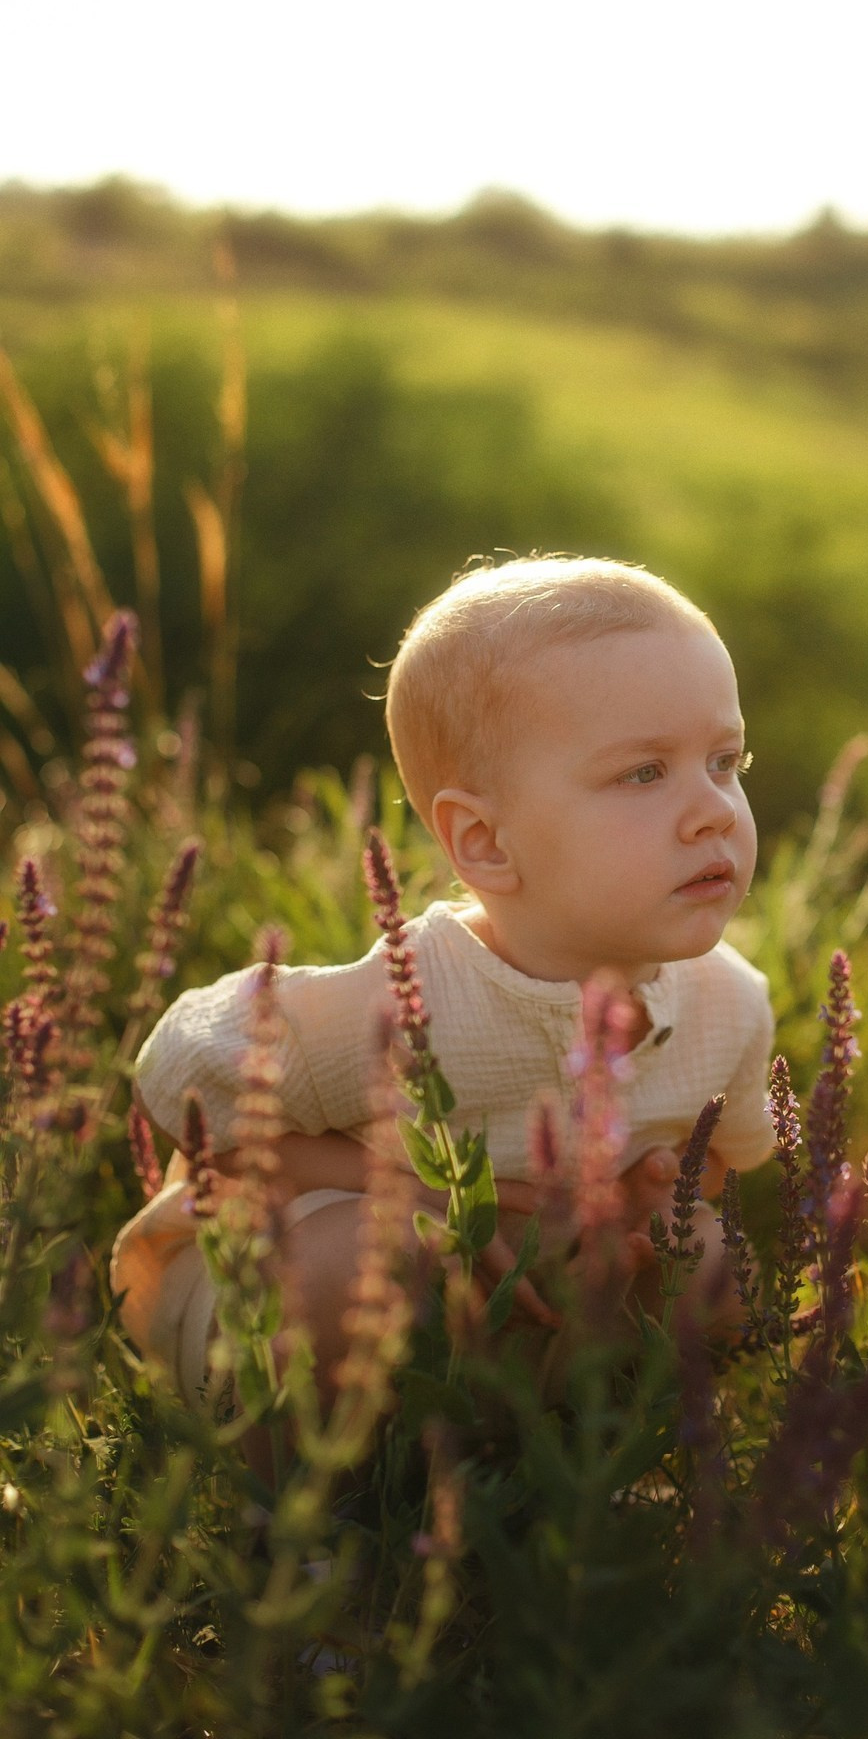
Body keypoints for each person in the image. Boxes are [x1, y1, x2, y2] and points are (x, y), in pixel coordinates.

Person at [111, 555, 777, 1411]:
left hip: (519, 1300)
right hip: (272, 1316)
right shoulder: (406, 1002)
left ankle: (594, 1466)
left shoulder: (729, 1004)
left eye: (726, 761)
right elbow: (183, 1090)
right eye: (643, 773)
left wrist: (643, 1194)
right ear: (486, 843)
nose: (715, 809)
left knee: (710, 1256)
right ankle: (294, 1519)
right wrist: (408, 1186)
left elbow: (713, 1165)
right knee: (369, 1256)